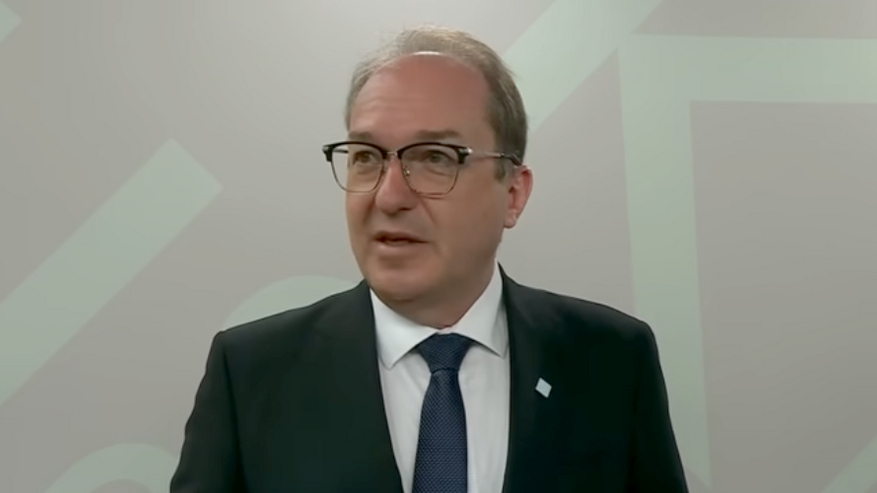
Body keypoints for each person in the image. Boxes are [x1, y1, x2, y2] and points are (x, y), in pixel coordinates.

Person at [170, 25, 689, 493]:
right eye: (366, 158)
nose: (389, 196)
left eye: (435, 158)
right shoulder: (251, 372)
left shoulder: (611, 361)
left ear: (513, 193)